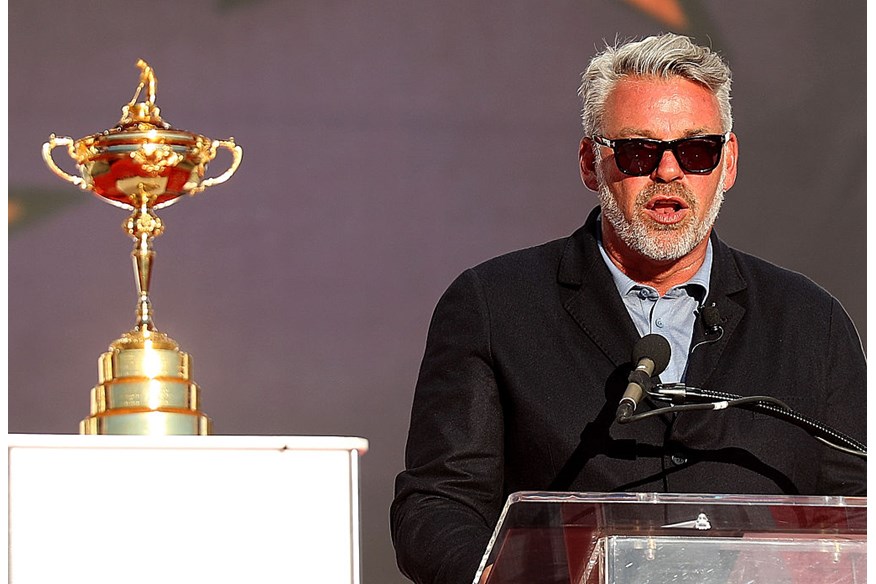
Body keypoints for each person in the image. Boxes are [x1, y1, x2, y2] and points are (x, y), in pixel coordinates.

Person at [390, 33, 866, 584]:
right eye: (640, 151)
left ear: (728, 163)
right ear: (592, 163)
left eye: (696, 150)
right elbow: (435, 510)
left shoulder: (813, 323)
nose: (669, 172)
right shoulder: (492, 307)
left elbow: (854, 514)